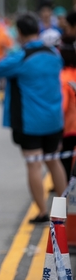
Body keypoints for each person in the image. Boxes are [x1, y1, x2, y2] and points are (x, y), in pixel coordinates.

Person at [0, 12, 67, 223]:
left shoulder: (21, 58)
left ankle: (43, 211)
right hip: (54, 119)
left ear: (19, 33)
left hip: (29, 122)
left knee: (34, 165)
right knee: (54, 161)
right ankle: (63, 210)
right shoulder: (54, 54)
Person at [58, 36, 76, 180]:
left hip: (69, 128)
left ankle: (63, 188)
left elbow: (62, 106)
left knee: (65, 165)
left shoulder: (64, 77)